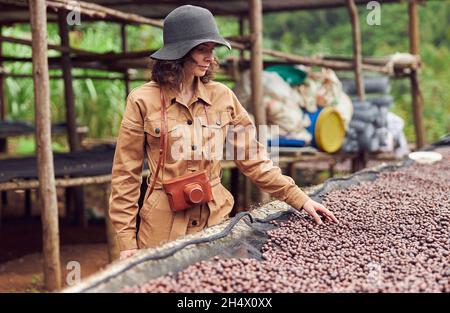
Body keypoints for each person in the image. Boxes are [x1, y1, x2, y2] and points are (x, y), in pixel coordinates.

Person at [109, 5, 338, 261]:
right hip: (162, 226)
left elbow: (254, 159)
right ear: (179, 53)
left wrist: (299, 198)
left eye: (212, 50)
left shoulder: (223, 97)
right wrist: (127, 241)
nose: (210, 57)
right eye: (202, 50)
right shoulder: (142, 100)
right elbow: (125, 175)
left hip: (215, 220)